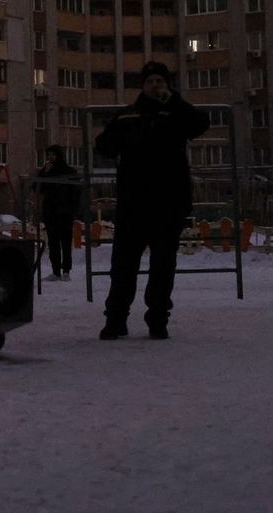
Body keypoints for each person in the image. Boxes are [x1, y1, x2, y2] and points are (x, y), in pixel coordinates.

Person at [92, 60, 209, 340]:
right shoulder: (127, 116)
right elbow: (103, 146)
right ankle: (116, 319)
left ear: (167, 85)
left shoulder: (178, 114)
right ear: (142, 86)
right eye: (150, 82)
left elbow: (200, 124)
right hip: (134, 204)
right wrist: (122, 142)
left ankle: (157, 319)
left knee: (163, 264)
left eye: (161, 81)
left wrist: (176, 102)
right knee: (123, 265)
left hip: (169, 203)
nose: (156, 86)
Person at [32, 145, 82, 281]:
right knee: (53, 243)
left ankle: (66, 270)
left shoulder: (69, 172)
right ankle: (56, 271)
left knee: (65, 243)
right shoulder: (48, 171)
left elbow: (76, 193)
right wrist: (43, 173)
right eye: (48, 155)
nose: (50, 158)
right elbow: (37, 188)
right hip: (50, 212)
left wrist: (72, 210)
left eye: (53, 155)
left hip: (65, 213)